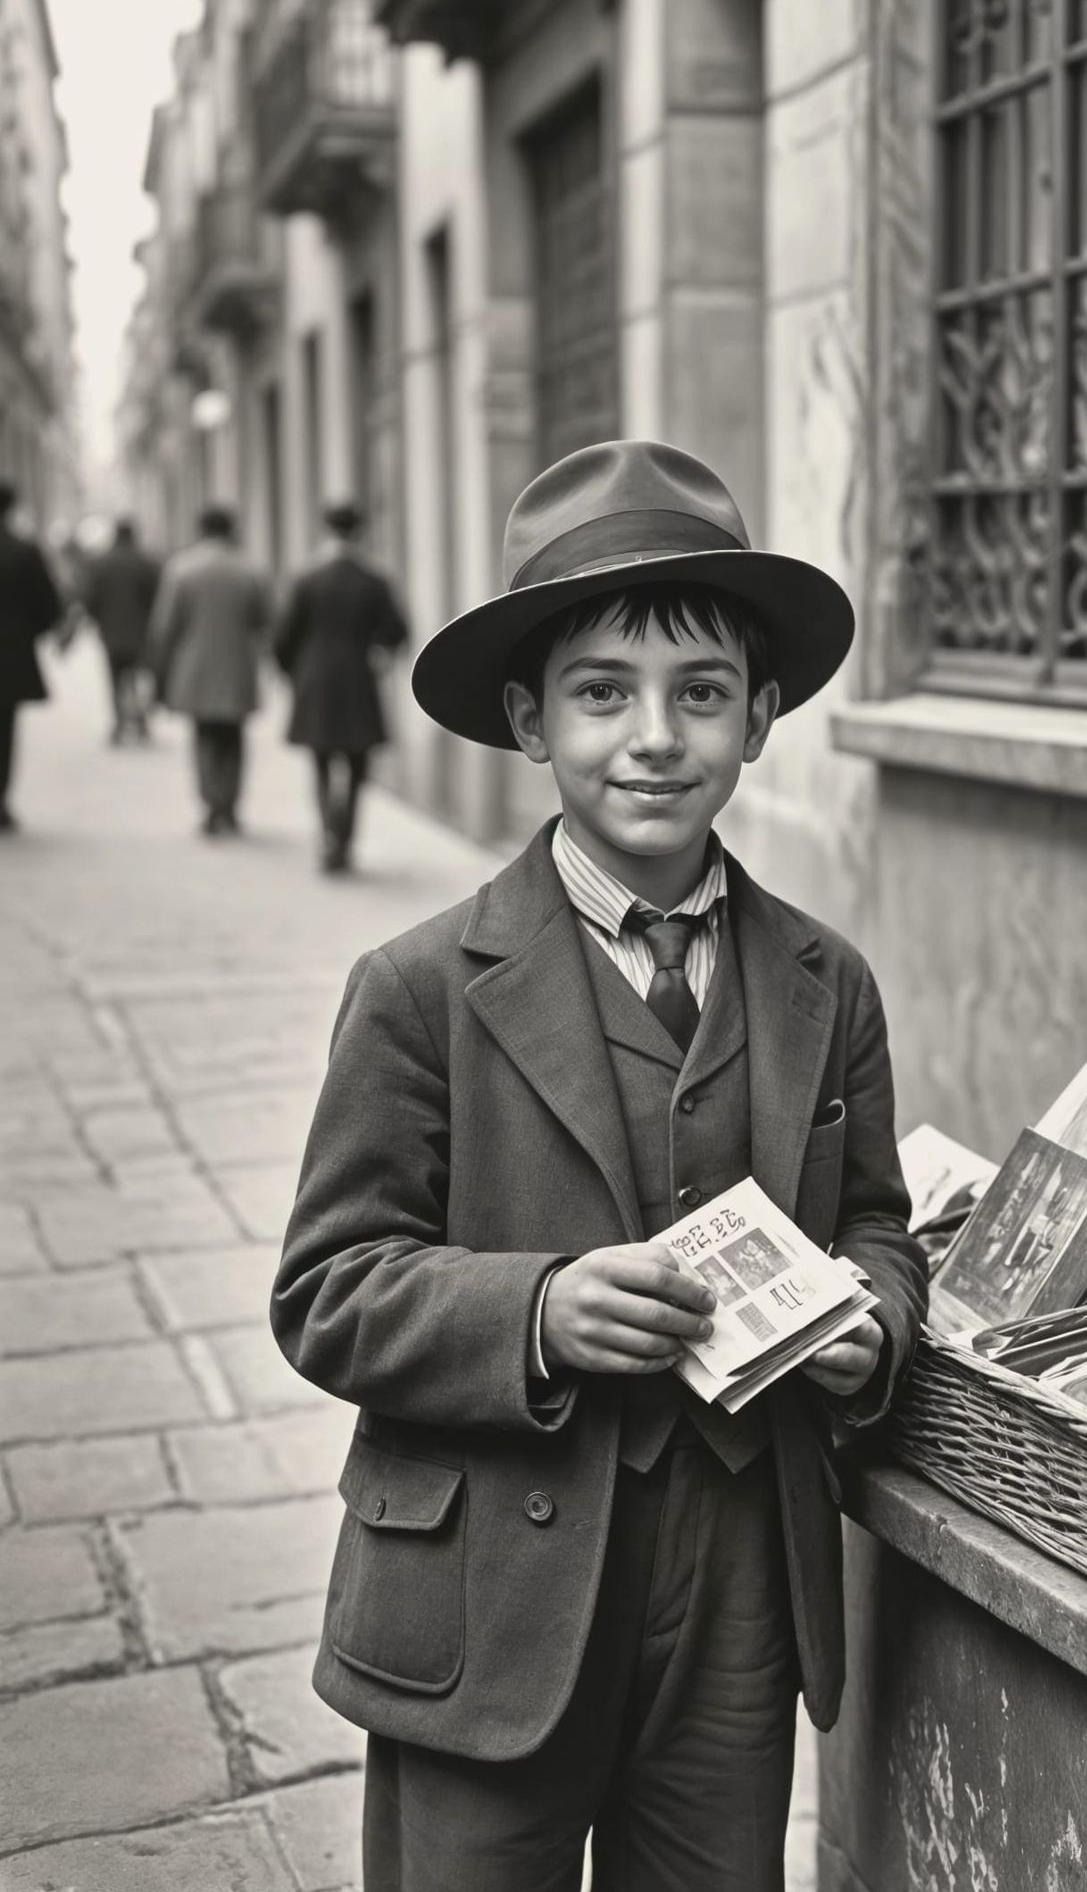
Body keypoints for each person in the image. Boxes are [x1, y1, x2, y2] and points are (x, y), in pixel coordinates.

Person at [270, 439, 929, 1892]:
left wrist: (872, 1323)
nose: (654, 737)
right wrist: (536, 1312)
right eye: (601, 694)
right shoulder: (421, 986)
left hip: (739, 1592)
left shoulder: (829, 983)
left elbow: (880, 1222)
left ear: (759, 719)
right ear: (528, 721)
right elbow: (328, 1288)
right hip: (488, 1595)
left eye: (701, 694)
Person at [273, 502, 408, 873]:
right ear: (360, 532)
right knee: (357, 763)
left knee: (320, 762)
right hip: (358, 680)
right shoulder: (373, 580)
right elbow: (398, 631)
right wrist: (380, 652)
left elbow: (283, 637)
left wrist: (292, 673)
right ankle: (344, 837)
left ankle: (328, 834)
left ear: (326, 531)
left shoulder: (306, 579)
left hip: (314, 680)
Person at [147, 506, 272, 835]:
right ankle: (229, 805)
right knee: (234, 738)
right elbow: (264, 620)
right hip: (236, 666)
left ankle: (211, 804)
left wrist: (160, 671)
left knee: (203, 737)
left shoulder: (181, 570)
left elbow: (165, 626)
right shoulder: (248, 570)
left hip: (195, 668)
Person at [0, 481, 64, 831]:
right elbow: (47, 605)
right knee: (4, 730)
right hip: (10, 655)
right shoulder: (23, 551)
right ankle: (0, 800)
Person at [80, 517, 162, 743]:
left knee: (115, 678)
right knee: (139, 677)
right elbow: (157, 596)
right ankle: (141, 721)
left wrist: (96, 620)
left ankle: (118, 723)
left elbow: (91, 598)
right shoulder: (145, 562)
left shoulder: (101, 563)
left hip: (111, 632)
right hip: (140, 632)